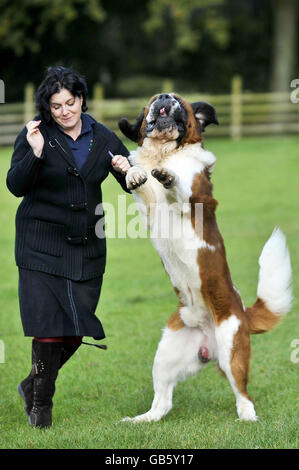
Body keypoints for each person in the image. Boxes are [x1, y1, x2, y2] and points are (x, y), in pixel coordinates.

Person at [6, 66, 131, 428]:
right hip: (39, 243)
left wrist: (127, 168)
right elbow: (16, 185)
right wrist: (36, 153)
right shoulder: (35, 134)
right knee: (47, 323)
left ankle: (31, 385)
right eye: (56, 105)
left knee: (76, 328)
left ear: (81, 100)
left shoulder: (102, 136)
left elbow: (131, 178)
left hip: (86, 244)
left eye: (70, 102)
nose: (64, 111)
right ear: (48, 107)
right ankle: (41, 407)